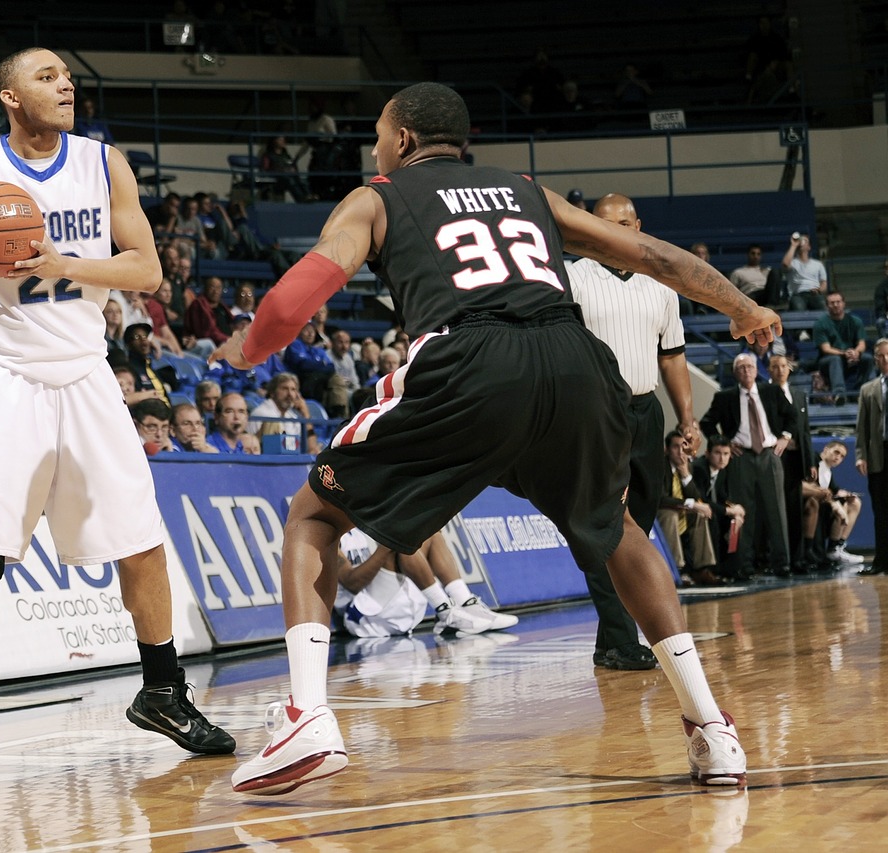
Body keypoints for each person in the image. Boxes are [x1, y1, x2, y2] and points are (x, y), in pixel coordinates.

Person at [213, 82, 779, 795]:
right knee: (619, 527)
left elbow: (292, 302)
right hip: (574, 357)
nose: (378, 149)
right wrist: (741, 304)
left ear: (405, 142)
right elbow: (645, 253)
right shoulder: (527, 190)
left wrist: (245, 352)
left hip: (469, 359)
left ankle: (306, 715)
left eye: (381, 137)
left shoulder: (378, 196)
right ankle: (710, 728)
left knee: (317, 512)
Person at [0, 46, 235, 783]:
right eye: (46, 77)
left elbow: (148, 270)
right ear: (11, 97)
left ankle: (163, 690)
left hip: (87, 372)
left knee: (141, 540)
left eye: (67, 75)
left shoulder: (102, 163)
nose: (64, 84)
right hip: (5, 374)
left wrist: (62, 262)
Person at [568, 191, 700, 670]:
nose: (618, 229)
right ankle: (622, 641)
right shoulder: (571, 277)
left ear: (639, 225)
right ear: (591, 228)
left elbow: (674, 355)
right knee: (610, 527)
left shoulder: (660, 282)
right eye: (607, 223)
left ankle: (610, 641)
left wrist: (687, 418)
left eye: (626, 222)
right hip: (597, 413)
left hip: (647, 412)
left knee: (637, 529)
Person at [700, 353, 796, 579]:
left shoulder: (771, 391)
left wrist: (785, 437)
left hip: (770, 455)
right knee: (743, 512)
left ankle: (782, 564)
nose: (746, 371)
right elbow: (706, 423)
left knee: (777, 511)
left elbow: (792, 415)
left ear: (757, 370)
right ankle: (744, 566)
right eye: (741, 368)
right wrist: (724, 443)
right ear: (735, 373)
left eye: (750, 367)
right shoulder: (725, 397)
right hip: (741, 457)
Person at [335, 528, 517, 637]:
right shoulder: (332, 537)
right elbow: (351, 583)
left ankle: (465, 603)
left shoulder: (362, 525)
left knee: (428, 530)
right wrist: (386, 548)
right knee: (402, 537)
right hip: (362, 616)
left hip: (387, 602)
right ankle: (446, 611)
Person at [768, 353, 815, 574]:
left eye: (783, 366)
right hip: (776, 459)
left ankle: (798, 558)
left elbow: (805, 431)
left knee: (796, 511)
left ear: (790, 369)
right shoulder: (763, 394)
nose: (780, 370)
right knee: (777, 512)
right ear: (769, 370)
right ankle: (777, 559)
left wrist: (811, 461)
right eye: (775, 366)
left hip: (797, 462)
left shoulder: (799, 395)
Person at [655, 430, 720, 586]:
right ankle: (677, 568)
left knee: (699, 514)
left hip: (679, 512)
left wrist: (685, 474)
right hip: (660, 513)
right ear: (667, 449)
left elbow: (696, 497)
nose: (680, 452)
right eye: (676, 447)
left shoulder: (687, 466)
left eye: (683, 447)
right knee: (670, 514)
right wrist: (691, 504)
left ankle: (701, 569)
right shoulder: (660, 466)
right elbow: (661, 499)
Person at [691, 435, 746, 580]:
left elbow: (723, 497)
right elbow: (701, 498)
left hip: (713, 508)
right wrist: (728, 510)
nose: (722, 458)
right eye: (717, 453)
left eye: (726, 454)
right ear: (707, 453)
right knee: (713, 518)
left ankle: (733, 569)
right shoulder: (699, 468)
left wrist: (734, 510)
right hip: (695, 509)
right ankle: (713, 569)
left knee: (734, 521)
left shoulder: (723, 470)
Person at [854, 341, 888, 576]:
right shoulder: (868, 389)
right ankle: (882, 562)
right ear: (875, 359)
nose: (885, 360)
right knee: (881, 511)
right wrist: (860, 456)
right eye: (881, 356)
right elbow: (861, 427)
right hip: (879, 454)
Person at [801, 440, 863, 569]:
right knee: (841, 506)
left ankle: (836, 547)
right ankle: (822, 550)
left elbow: (833, 490)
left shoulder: (828, 471)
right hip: (809, 503)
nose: (838, 457)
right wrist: (836, 504)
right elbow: (812, 486)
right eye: (836, 452)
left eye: (842, 456)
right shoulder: (813, 459)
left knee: (854, 502)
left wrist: (844, 494)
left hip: (823, 505)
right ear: (826, 449)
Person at [813, 291, 874, 404]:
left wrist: (856, 352)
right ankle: (839, 393)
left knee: (868, 358)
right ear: (827, 306)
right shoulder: (820, 324)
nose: (835, 305)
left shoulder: (855, 321)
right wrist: (843, 353)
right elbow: (826, 349)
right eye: (832, 303)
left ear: (844, 304)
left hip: (851, 359)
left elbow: (862, 344)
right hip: (828, 361)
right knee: (835, 359)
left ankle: (859, 391)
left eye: (838, 302)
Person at [782, 233, 826, 311]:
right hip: (797, 295)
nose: (802, 242)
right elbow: (785, 264)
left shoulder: (818, 264)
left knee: (822, 306)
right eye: (800, 240)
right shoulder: (793, 263)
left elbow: (824, 283)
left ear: (809, 247)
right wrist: (794, 245)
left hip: (814, 294)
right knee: (798, 308)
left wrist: (819, 290)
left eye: (805, 241)